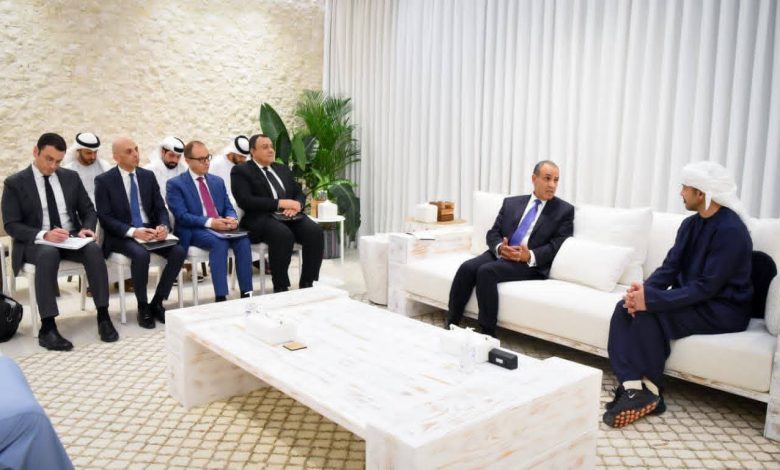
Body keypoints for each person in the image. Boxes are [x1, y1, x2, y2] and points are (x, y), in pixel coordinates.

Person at [603, 161, 753, 428]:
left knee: (650, 315)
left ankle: (652, 390)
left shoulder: (731, 231)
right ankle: (632, 387)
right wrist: (642, 292)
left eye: (685, 187)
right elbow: (670, 268)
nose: (681, 193)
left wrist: (651, 301)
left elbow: (708, 287)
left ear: (701, 193)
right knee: (623, 308)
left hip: (723, 308)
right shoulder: (690, 224)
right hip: (695, 299)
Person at [1, 132, 117, 350]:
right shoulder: (15, 183)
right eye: (49, 159)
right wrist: (44, 235)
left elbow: (88, 210)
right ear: (35, 152)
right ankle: (48, 327)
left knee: (93, 250)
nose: (53, 166)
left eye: (58, 161)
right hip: (36, 242)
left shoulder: (70, 177)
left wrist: (87, 229)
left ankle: (103, 317)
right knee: (48, 253)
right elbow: (11, 224)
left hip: (70, 238)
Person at [446, 160, 574, 337]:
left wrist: (529, 255)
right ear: (534, 179)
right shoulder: (512, 203)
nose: (552, 185)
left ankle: (487, 334)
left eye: (556, 180)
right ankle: (451, 323)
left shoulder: (564, 211)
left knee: (486, 272)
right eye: (547, 178)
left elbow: (557, 245)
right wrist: (500, 248)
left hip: (530, 264)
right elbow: (493, 232)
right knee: (467, 268)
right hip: (502, 254)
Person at [94, 137, 186, 328]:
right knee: (141, 255)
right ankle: (142, 306)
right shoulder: (104, 181)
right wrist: (134, 232)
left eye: (136, 149)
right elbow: (105, 218)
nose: (136, 154)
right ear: (116, 157)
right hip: (122, 234)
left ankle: (157, 302)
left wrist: (163, 226)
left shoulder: (147, 176)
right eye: (129, 151)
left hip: (149, 230)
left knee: (178, 251)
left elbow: (160, 208)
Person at [231, 134, 324, 292]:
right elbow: (245, 200)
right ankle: (281, 286)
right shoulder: (241, 171)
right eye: (265, 147)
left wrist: (297, 205)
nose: (271, 150)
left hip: (289, 216)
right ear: (253, 151)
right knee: (283, 235)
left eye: (271, 146)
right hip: (260, 218)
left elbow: (298, 193)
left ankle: (307, 282)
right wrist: (280, 203)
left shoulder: (282, 169)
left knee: (315, 231)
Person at [167, 140, 254, 301]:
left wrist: (232, 218)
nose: (206, 162)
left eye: (207, 157)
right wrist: (210, 222)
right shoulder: (175, 184)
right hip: (195, 229)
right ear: (188, 160)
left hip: (221, 226)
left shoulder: (217, 181)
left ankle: (247, 294)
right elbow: (182, 216)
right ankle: (221, 296)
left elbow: (228, 206)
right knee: (219, 243)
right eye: (201, 159)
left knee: (243, 240)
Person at [62, 132, 113, 204]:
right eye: (89, 153)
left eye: (95, 152)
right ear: (78, 150)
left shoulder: (104, 167)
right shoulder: (68, 170)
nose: (93, 157)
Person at [210, 135, 251, 205]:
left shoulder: (245, 164)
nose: (243, 160)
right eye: (241, 156)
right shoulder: (216, 163)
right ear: (232, 152)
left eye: (245, 157)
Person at [143, 136, 186, 201]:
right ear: (162, 152)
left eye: (178, 157)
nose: (175, 160)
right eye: (171, 155)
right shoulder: (148, 171)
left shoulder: (184, 170)